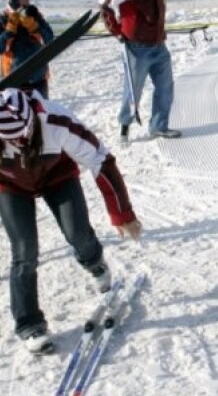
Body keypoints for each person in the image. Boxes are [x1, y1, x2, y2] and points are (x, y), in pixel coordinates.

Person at [0, 88, 142, 354]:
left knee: (77, 233)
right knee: (24, 251)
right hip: (10, 185)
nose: (18, 143)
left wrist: (122, 213)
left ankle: (94, 263)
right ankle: (30, 325)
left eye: (22, 136)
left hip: (57, 177)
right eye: (9, 139)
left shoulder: (56, 121)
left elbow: (101, 160)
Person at [99, 0, 181, 143]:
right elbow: (105, 1)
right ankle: (124, 126)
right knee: (133, 90)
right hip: (136, 46)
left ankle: (159, 126)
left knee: (165, 87)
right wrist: (117, 31)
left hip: (158, 44)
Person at [0, 0, 54, 98]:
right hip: (14, 80)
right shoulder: (3, 18)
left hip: (38, 78)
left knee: (43, 115)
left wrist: (35, 27)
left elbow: (50, 39)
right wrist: (9, 32)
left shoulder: (34, 14)